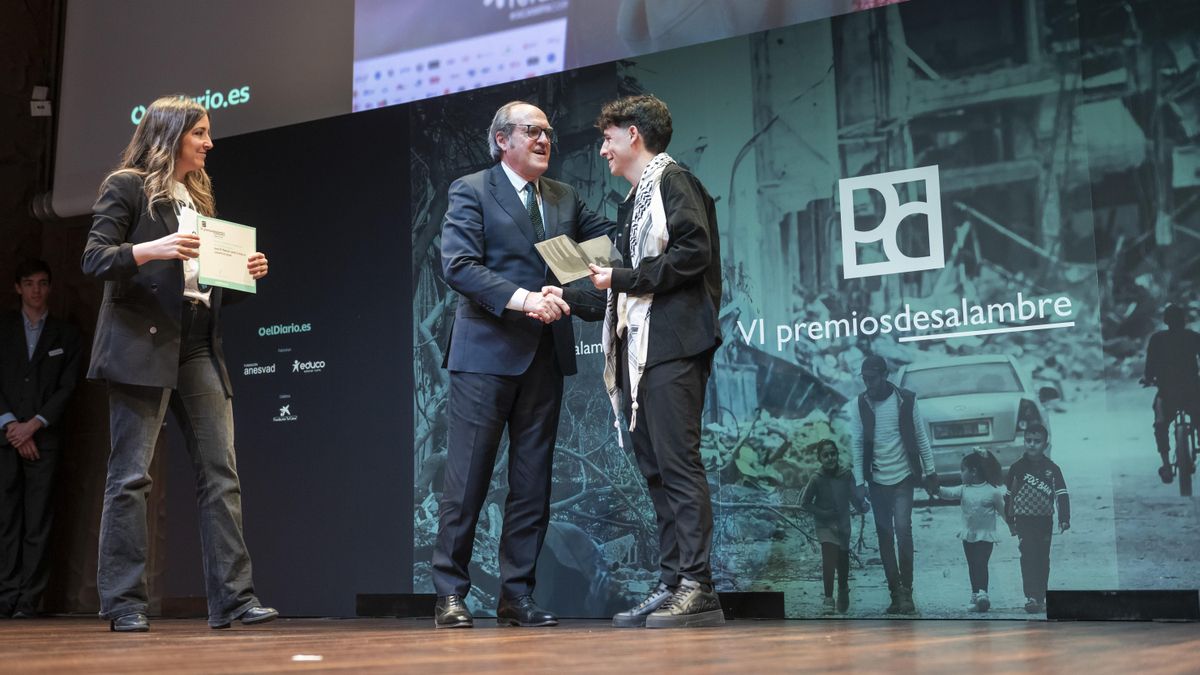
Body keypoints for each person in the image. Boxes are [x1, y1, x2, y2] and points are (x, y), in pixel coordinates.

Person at [82, 95, 275, 633]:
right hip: (142, 341)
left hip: (197, 342)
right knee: (130, 477)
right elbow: (95, 258)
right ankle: (123, 603)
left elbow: (204, 287)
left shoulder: (198, 197)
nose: (209, 143)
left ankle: (234, 600)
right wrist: (154, 248)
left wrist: (244, 274)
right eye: (201, 133)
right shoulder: (125, 186)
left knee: (221, 473)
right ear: (169, 136)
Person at [432, 100, 613, 629]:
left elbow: (608, 251)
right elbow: (459, 267)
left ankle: (517, 596)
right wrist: (525, 299)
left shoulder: (565, 198)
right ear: (502, 140)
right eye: (532, 131)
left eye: (548, 133)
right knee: (466, 481)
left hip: (544, 359)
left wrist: (573, 294)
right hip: (485, 355)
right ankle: (450, 595)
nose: (544, 140)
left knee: (532, 484)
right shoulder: (471, 190)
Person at [584, 94, 724, 629]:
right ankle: (672, 585)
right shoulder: (634, 201)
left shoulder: (673, 182)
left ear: (633, 135)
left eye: (608, 138)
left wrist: (619, 278)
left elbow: (693, 253)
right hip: (639, 350)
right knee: (657, 470)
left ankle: (698, 586)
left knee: (678, 464)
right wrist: (566, 296)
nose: (603, 150)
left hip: (673, 344)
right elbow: (625, 285)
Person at [0, 259, 82, 618]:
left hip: (43, 439)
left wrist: (32, 426)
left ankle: (28, 601)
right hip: (5, 438)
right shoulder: (1, 329)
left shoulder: (67, 335)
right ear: (18, 287)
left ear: (50, 287)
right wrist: (11, 427)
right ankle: (6, 596)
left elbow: (68, 388)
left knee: (38, 522)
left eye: (43, 283)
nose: (36, 290)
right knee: (6, 521)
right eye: (29, 283)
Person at [848, 354, 938, 615]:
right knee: (885, 537)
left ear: (885, 376)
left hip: (903, 477)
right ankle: (895, 594)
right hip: (876, 481)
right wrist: (860, 481)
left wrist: (930, 471)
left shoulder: (905, 400)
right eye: (864, 379)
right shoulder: (860, 403)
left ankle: (907, 592)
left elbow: (920, 435)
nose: (868, 384)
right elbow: (856, 442)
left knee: (903, 530)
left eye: (872, 379)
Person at [1004, 422, 1069, 614]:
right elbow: (1009, 496)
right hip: (1024, 521)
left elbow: (1062, 493)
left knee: (1042, 558)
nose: (1032, 445)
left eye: (1037, 441)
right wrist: (1010, 521)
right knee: (1028, 556)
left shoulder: (1052, 469)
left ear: (1045, 444)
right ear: (1024, 442)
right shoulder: (1017, 468)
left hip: (1044, 521)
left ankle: (1041, 596)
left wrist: (1064, 518)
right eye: (1028, 440)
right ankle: (1031, 596)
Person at [935, 449, 1004, 613]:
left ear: (973, 472)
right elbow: (948, 493)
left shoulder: (992, 492)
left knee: (981, 563)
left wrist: (1014, 527)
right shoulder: (964, 489)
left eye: (962, 470)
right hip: (968, 535)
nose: (961, 474)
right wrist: (935, 488)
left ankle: (983, 594)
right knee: (972, 565)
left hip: (986, 536)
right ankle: (975, 594)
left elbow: (1004, 512)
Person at [800, 440, 861, 614]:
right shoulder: (816, 478)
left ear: (837, 454)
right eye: (825, 455)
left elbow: (853, 496)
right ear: (819, 458)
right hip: (824, 525)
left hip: (842, 525)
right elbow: (805, 503)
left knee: (842, 560)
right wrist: (824, 513)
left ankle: (843, 589)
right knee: (828, 559)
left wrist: (861, 505)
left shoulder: (846, 474)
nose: (830, 458)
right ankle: (828, 598)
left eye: (833, 454)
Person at [1143, 303, 1200, 483]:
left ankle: (1166, 465)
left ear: (1166, 321)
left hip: (1167, 393)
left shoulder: (1157, 339)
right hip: (1192, 390)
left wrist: (1148, 379)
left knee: (1160, 425)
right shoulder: (1194, 337)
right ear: (1184, 320)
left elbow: (1149, 365)